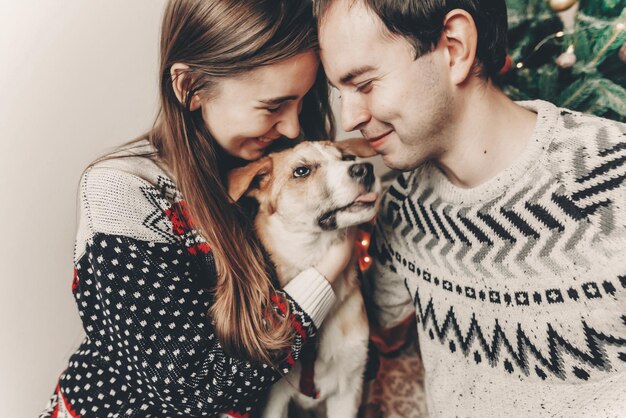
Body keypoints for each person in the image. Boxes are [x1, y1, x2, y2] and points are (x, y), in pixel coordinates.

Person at [40, 0, 355, 416]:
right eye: (273, 105)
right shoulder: (122, 192)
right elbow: (197, 388)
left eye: (301, 101)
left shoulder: (275, 168)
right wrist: (328, 270)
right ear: (189, 87)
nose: (294, 127)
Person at [315, 0, 626, 416]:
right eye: (340, 92)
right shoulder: (400, 208)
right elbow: (380, 333)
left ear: (454, 47)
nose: (350, 117)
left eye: (366, 84)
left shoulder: (615, 180)